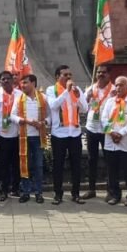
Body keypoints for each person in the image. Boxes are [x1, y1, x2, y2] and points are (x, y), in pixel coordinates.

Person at [45, 64, 88, 205]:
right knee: (58, 165)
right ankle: (58, 194)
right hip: (59, 134)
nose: (69, 77)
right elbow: (53, 105)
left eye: (70, 75)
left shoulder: (77, 90)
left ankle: (76, 193)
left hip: (74, 133)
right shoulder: (51, 90)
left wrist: (78, 96)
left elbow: (85, 109)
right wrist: (66, 92)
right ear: (57, 77)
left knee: (76, 165)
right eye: (65, 75)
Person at [100, 75, 127, 206]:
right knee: (112, 171)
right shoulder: (110, 101)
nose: (118, 87)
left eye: (121, 85)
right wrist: (111, 132)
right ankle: (114, 194)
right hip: (110, 141)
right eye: (116, 85)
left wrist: (120, 134)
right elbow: (104, 119)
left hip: (125, 141)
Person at [11, 73, 47, 203]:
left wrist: (43, 123)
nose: (22, 85)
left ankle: (38, 193)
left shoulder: (43, 98)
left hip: (38, 137)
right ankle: (26, 192)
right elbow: (12, 116)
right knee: (25, 164)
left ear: (33, 83)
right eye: (22, 83)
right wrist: (25, 121)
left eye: (25, 82)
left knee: (38, 166)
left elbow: (50, 117)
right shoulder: (19, 98)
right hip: (24, 137)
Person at [82, 65, 113, 200]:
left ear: (109, 75)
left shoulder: (113, 90)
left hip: (107, 129)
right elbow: (83, 108)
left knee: (109, 159)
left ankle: (110, 190)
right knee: (91, 159)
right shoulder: (91, 89)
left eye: (103, 72)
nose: (100, 74)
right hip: (92, 127)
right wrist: (86, 98)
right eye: (99, 72)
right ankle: (91, 189)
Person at [0, 70, 20, 201]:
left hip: (17, 134)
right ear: (0, 81)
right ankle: (3, 190)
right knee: (3, 165)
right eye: (3, 79)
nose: (6, 80)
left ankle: (16, 188)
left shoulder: (19, 94)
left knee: (16, 164)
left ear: (13, 80)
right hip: (2, 135)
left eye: (8, 78)